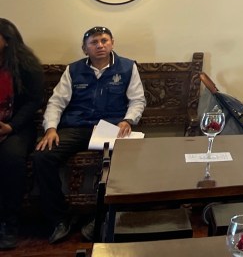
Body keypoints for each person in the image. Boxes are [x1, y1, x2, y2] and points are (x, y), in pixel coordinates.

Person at [32, 26, 145, 244]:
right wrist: (51, 128)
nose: (100, 45)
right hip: (77, 127)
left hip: (110, 127)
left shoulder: (127, 67)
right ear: (85, 48)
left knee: (123, 160)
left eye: (104, 40)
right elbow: (56, 102)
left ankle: (101, 218)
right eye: (94, 42)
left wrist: (128, 120)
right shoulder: (73, 70)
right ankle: (59, 218)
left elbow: (137, 100)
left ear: (112, 43)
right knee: (42, 157)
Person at [0, 20, 44, 251]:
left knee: (11, 158)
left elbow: (34, 101)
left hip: (17, 127)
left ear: (7, 40)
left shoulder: (25, 66)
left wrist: (11, 127)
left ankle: (10, 223)